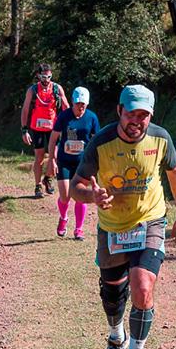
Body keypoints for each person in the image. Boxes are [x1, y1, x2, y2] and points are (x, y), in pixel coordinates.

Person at [70, 85, 176, 349]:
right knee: (112, 295)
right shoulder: (101, 142)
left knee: (143, 285)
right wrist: (93, 197)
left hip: (149, 220)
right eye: (131, 114)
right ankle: (116, 336)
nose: (137, 121)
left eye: (144, 115)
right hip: (112, 227)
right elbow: (76, 186)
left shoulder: (161, 139)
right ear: (119, 112)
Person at [47, 86, 100, 240]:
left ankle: (78, 229)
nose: (80, 107)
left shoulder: (91, 118)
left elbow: (97, 139)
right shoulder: (64, 116)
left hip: (82, 163)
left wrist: (97, 161)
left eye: (83, 104)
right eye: (78, 104)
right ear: (72, 102)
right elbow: (53, 138)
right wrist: (51, 159)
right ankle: (63, 218)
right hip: (64, 161)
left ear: (87, 104)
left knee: (80, 196)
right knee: (65, 196)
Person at [20, 63, 68, 199]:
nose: (46, 80)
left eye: (49, 77)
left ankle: (48, 178)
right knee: (39, 157)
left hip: (54, 128)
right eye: (43, 77)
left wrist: (70, 124)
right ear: (38, 76)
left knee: (55, 157)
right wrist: (24, 130)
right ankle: (38, 185)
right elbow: (25, 110)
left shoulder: (57, 89)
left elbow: (66, 107)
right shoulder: (33, 90)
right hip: (37, 128)